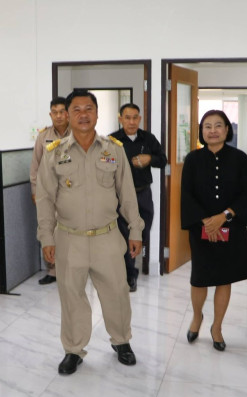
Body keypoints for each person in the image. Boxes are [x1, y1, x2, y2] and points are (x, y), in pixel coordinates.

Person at [36, 90, 144, 375]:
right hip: (69, 238)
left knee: (117, 293)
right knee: (71, 296)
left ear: (97, 114)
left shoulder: (113, 150)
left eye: (88, 109)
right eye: (76, 109)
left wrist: (135, 229)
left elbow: (127, 194)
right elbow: (44, 199)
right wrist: (46, 237)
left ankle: (122, 341)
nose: (83, 115)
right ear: (67, 115)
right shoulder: (54, 152)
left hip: (107, 237)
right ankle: (73, 350)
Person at [181, 110, 247, 351]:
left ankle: (217, 327)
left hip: (231, 226)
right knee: (199, 278)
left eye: (218, 125)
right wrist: (206, 222)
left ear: (227, 130)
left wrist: (224, 217)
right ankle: (197, 317)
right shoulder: (192, 159)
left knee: (224, 278)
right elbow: (187, 195)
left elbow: (246, 194)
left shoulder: (239, 158)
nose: (213, 130)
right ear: (201, 131)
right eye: (207, 126)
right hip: (200, 227)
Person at [110, 103, 166, 292]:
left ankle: (132, 262)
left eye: (135, 117)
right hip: (120, 197)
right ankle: (129, 274)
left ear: (140, 119)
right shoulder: (112, 140)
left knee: (143, 231)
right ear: (120, 119)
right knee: (124, 235)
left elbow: (163, 160)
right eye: (127, 117)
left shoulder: (148, 138)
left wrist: (150, 159)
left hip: (142, 194)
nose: (132, 122)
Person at [30, 96, 70, 285]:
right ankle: (53, 271)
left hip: (71, 191)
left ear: (67, 113)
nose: (59, 116)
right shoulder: (43, 136)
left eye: (62, 112)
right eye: (55, 112)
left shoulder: (78, 133)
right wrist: (35, 191)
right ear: (50, 114)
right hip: (48, 192)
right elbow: (35, 166)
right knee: (48, 229)